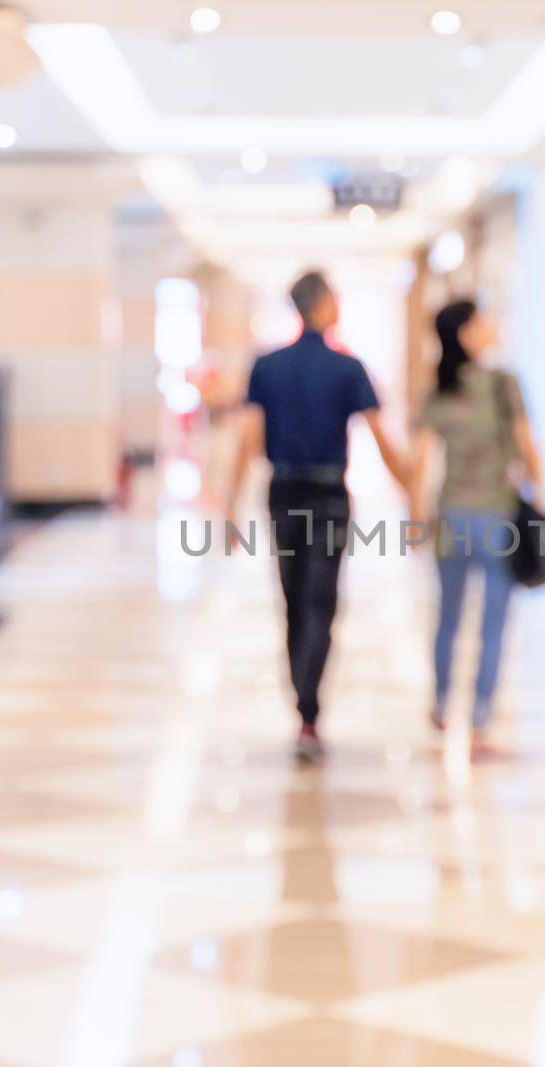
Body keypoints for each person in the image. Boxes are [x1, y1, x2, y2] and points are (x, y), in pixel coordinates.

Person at [227, 270, 409, 763]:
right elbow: (381, 439)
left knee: (291, 597)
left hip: (283, 492)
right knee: (322, 601)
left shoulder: (267, 366)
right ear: (325, 305)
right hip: (329, 495)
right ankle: (310, 711)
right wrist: (411, 490)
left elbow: (247, 438)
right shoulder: (348, 368)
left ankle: (303, 705)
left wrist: (228, 504)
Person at [409, 299, 544, 759]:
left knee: (447, 619)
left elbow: (421, 460)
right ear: (465, 333)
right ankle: (480, 722)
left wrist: (415, 517)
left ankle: (443, 706)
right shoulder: (505, 385)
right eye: (483, 321)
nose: (492, 326)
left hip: (451, 519)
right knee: (492, 625)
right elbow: (528, 451)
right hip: (497, 519)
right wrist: (537, 495)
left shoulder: (440, 391)